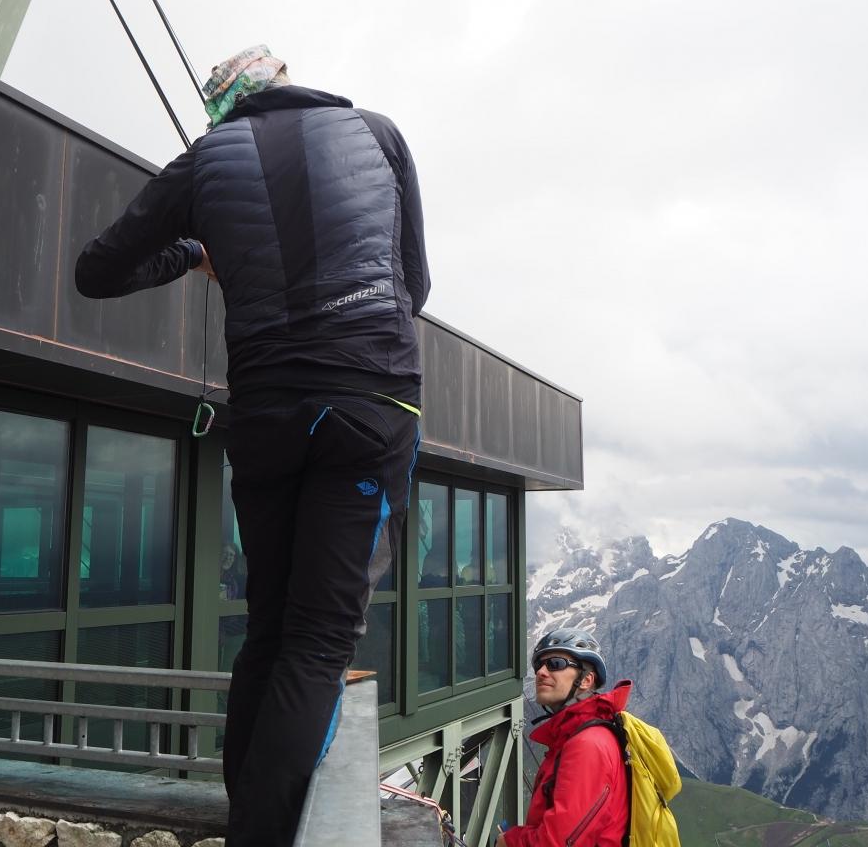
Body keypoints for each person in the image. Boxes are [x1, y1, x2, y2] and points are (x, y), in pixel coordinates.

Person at [75, 45, 429, 846]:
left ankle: (248, 819)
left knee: (268, 629)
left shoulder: (204, 161)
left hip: (268, 414)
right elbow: (415, 285)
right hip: (368, 405)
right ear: (289, 80)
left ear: (224, 109)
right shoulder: (378, 133)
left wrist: (196, 251)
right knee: (318, 643)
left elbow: (96, 271)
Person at [499, 628, 631, 847]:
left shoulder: (588, 745)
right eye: (539, 665)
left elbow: (558, 842)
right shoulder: (573, 736)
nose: (541, 672)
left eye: (555, 664)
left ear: (586, 680)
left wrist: (509, 841)